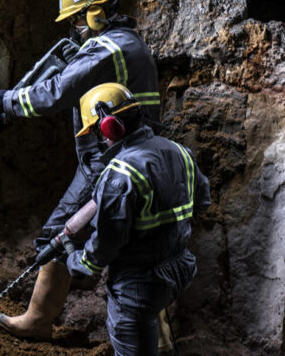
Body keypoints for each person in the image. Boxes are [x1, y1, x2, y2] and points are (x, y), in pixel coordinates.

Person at [0, 0, 170, 346]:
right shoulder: (126, 43)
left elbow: (57, 92)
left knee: (57, 235)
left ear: (97, 13)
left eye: (78, 18)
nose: (75, 26)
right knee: (142, 250)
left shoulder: (108, 49)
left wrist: (7, 102)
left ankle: (37, 320)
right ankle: (160, 343)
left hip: (110, 162)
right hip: (135, 156)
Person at [65, 83, 211, 355]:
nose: (100, 140)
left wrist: (77, 259)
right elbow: (201, 201)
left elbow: (106, 246)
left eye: (98, 132)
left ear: (110, 127)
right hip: (179, 269)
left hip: (138, 287)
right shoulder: (180, 151)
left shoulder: (119, 174)